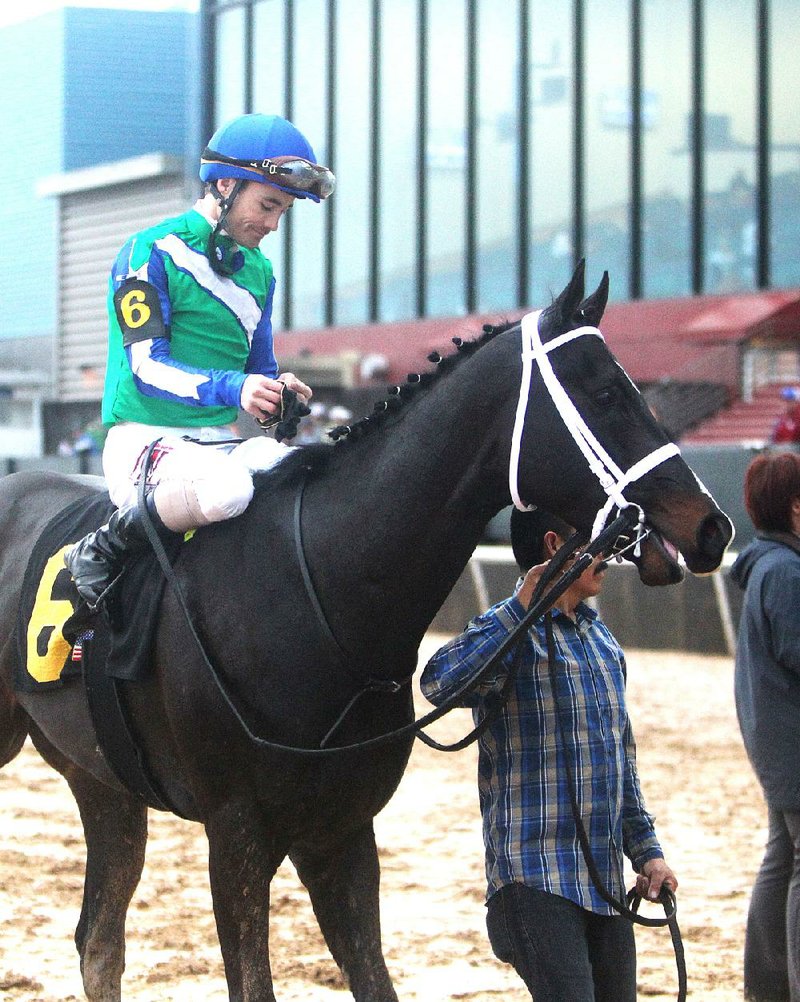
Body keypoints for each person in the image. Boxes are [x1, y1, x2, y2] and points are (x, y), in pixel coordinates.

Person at [65, 113, 335, 608]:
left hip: (217, 445)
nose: (274, 224)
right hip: (146, 443)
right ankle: (100, 546)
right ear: (226, 185)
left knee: (305, 476)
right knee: (229, 490)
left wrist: (276, 394)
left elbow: (258, 372)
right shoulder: (149, 251)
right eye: (268, 205)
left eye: (284, 211)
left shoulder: (259, 272)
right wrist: (236, 389)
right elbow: (146, 367)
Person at [420, 508, 677, 1001]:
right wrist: (519, 610)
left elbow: (620, 763)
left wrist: (647, 853)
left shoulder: (602, 642)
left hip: (603, 883)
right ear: (555, 543)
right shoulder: (508, 632)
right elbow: (438, 683)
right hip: (534, 880)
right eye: (596, 542)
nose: (607, 555)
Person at [731, 450, 800, 1001]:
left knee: (783, 856)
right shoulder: (786, 572)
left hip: (777, 739)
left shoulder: (770, 567)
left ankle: (769, 985)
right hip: (793, 741)